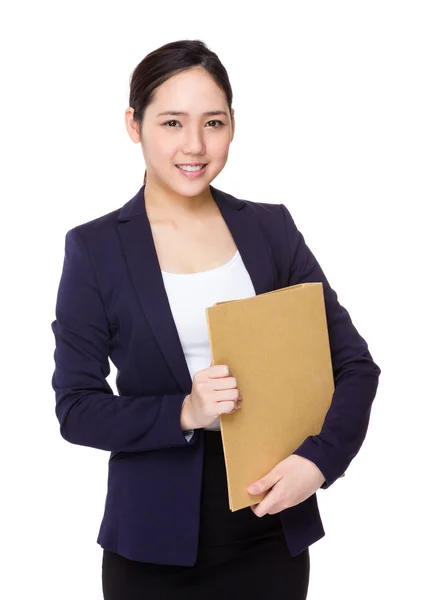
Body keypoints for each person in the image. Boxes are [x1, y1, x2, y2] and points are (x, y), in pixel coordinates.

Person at [50, 39, 381, 600]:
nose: (195, 145)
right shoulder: (96, 249)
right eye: (172, 122)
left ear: (233, 125)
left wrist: (320, 461)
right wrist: (184, 411)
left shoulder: (270, 230)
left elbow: (354, 363)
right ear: (134, 125)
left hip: (270, 528)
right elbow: (75, 408)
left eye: (214, 122)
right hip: (151, 544)